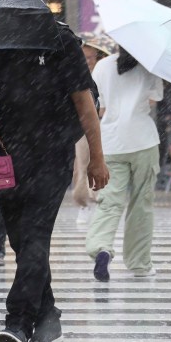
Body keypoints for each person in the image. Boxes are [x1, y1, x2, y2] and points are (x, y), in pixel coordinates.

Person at [0, 22, 109, 342]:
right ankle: (49, 316)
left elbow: (83, 101)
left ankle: (18, 320)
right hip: (8, 156)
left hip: (52, 155)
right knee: (21, 240)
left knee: (34, 235)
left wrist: (96, 159)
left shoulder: (61, 41)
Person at [85, 48, 163, 281]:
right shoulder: (151, 66)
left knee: (109, 201)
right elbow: (154, 99)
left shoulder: (103, 66)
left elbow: (100, 106)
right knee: (142, 203)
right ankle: (139, 263)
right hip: (143, 141)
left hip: (111, 142)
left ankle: (101, 247)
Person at [72, 33, 115, 225]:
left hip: (103, 126)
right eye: (84, 57)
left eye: (90, 57)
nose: (88, 61)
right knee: (82, 165)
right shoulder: (75, 74)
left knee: (100, 164)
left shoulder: (103, 73)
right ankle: (83, 203)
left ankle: (97, 201)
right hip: (81, 127)